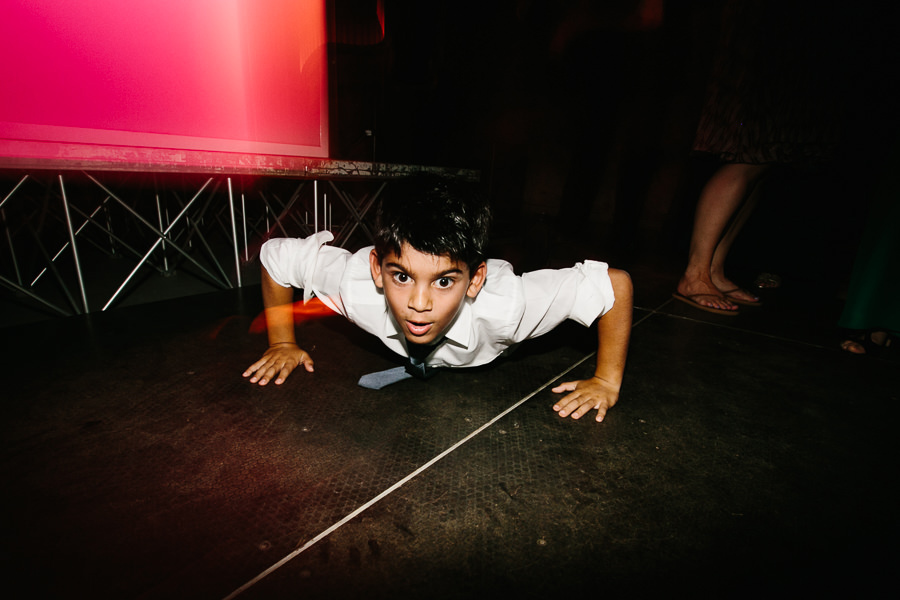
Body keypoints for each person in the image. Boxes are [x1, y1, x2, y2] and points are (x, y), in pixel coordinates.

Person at [242, 177, 633, 423]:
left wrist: (605, 380)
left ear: (473, 280)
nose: (419, 302)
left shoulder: (509, 306)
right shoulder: (356, 284)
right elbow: (277, 256)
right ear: (377, 269)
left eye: (443, 281)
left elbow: (614, 284)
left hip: (497, 336)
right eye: (401, 276)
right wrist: (282, 342)